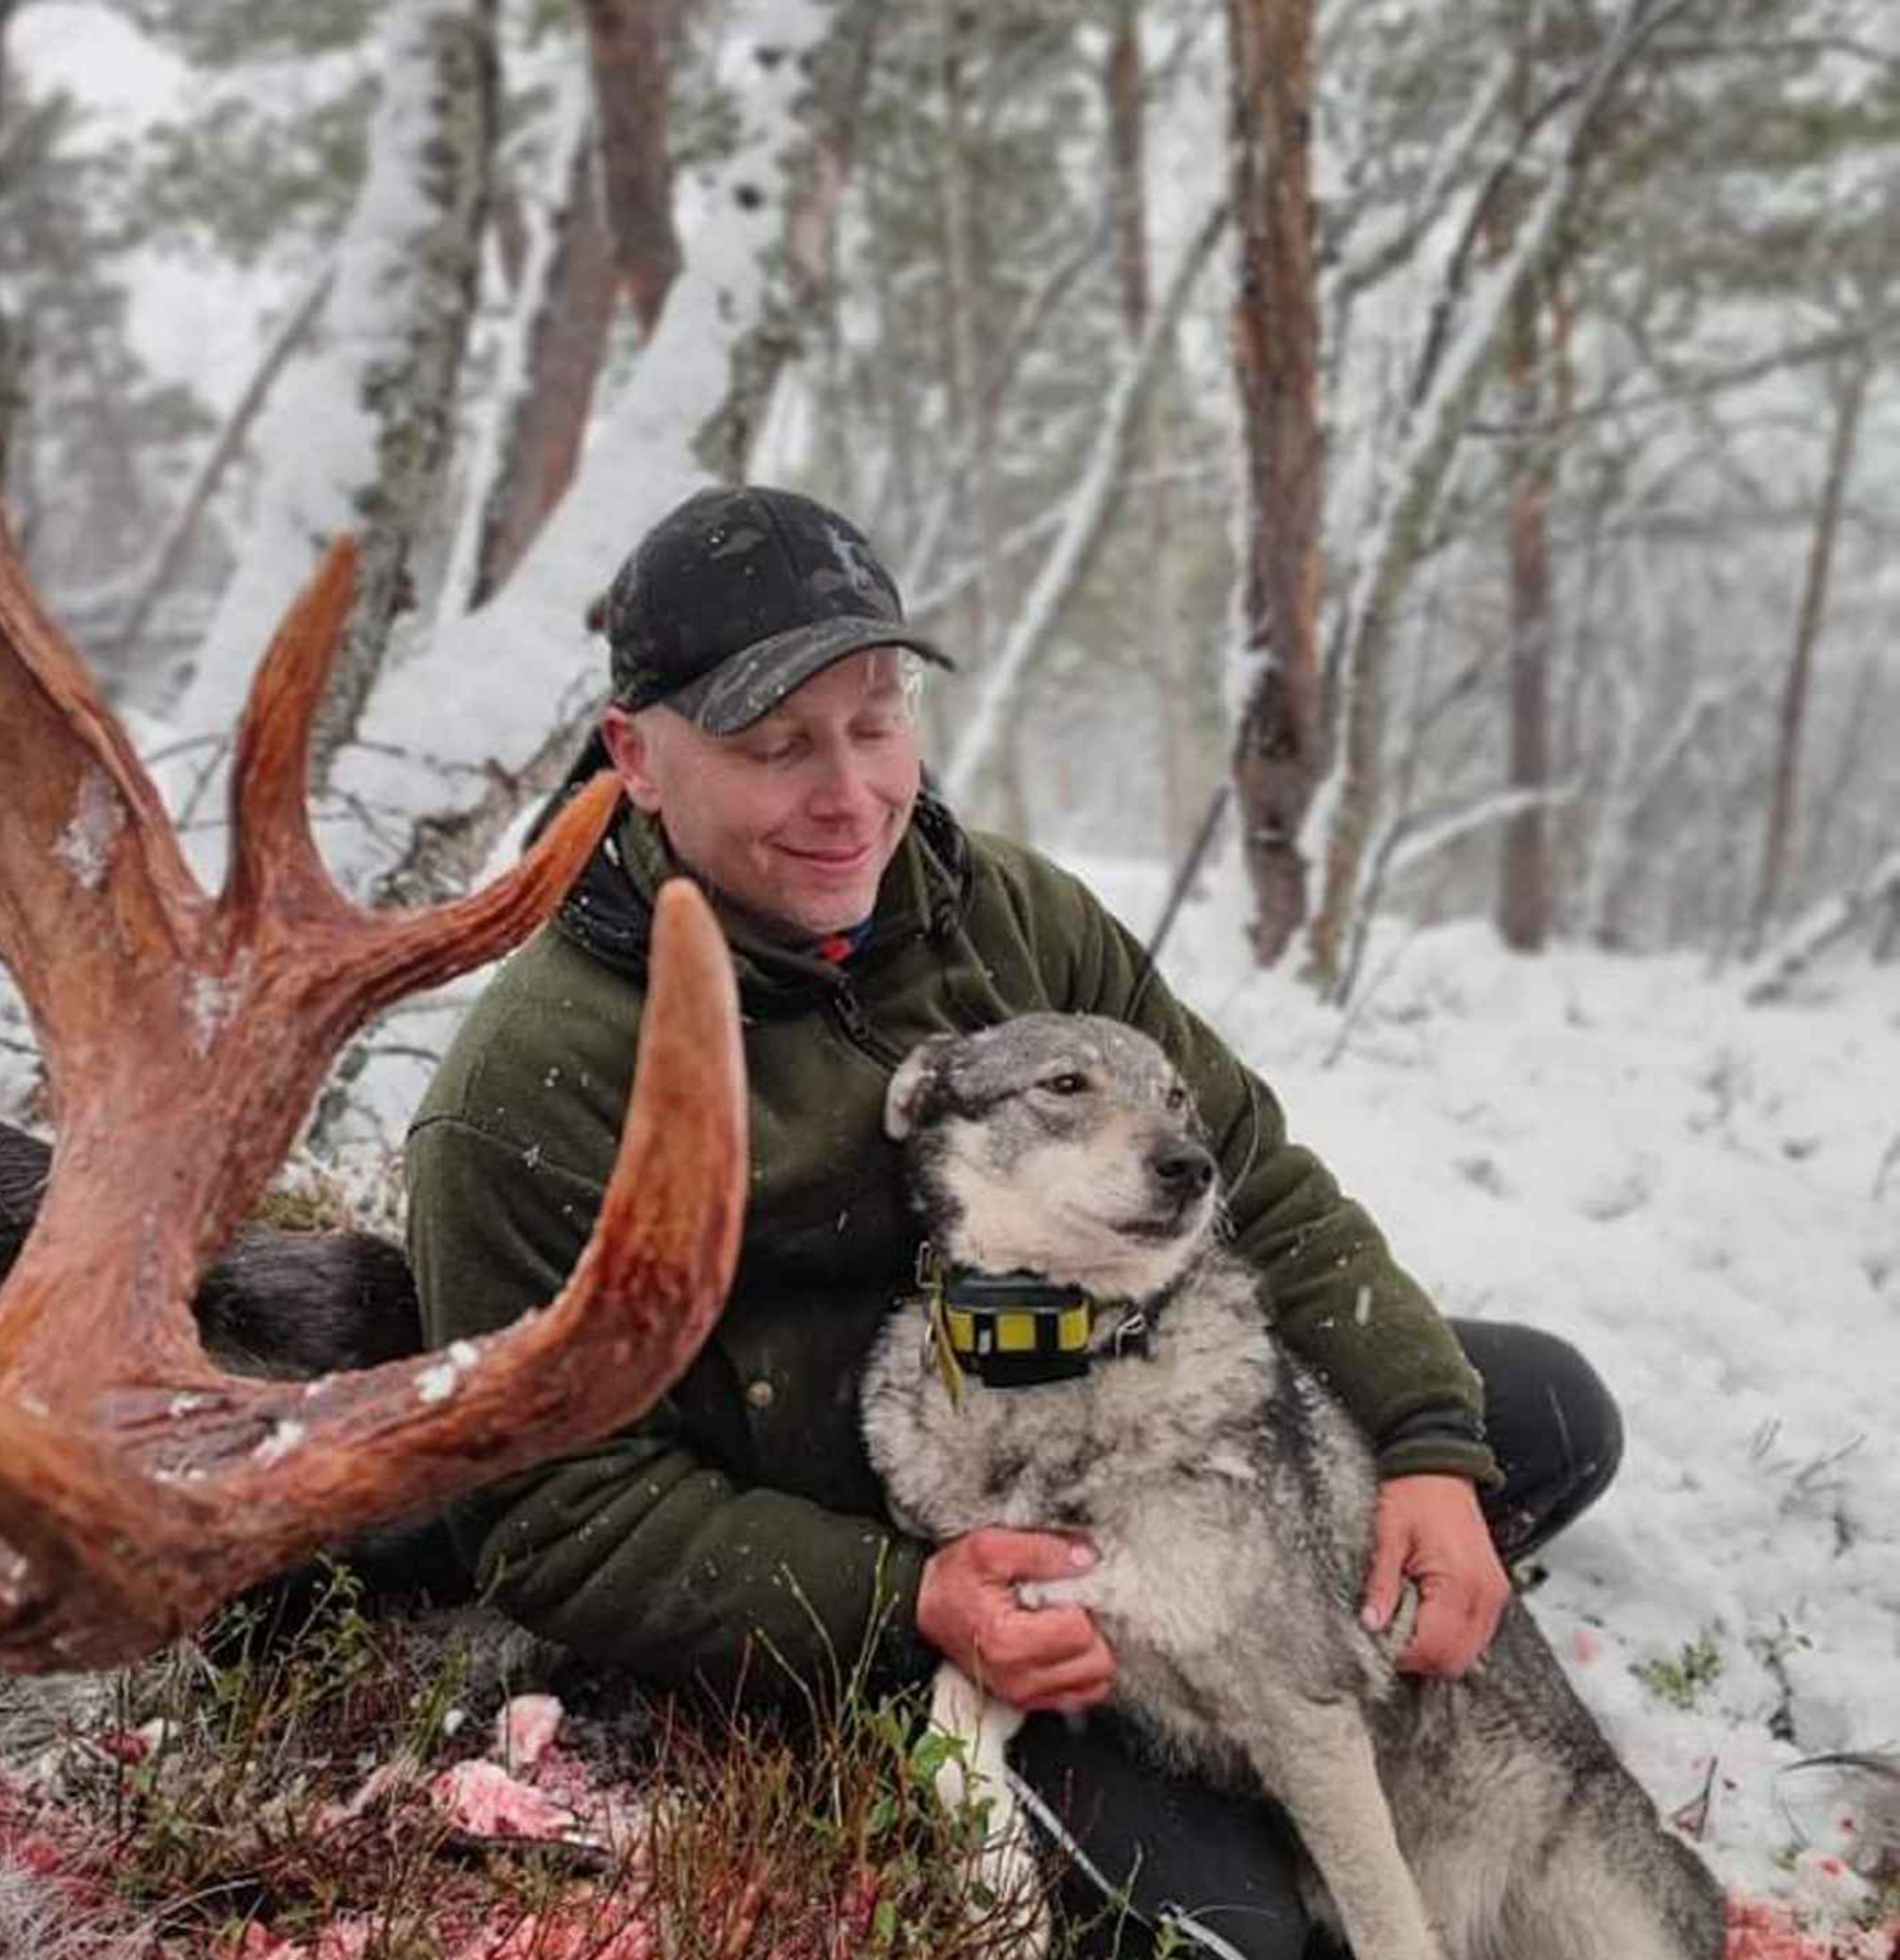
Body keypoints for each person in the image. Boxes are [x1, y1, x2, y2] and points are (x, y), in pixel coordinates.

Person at [405, 485, 1623, 1957]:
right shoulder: (538, 1080)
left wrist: (1427, 1443)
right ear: (636, 760)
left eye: (874, 719)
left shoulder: (1015, 920)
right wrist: (909, 1602)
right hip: (871, 1555)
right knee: (1225, 1941)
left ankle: (1239, 1675)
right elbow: (547, 1515)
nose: (848, 791)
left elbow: (1257, 1184)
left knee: (1540, 1412)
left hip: (1116, 1433)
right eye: (774, 746)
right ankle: (1165, 1761)